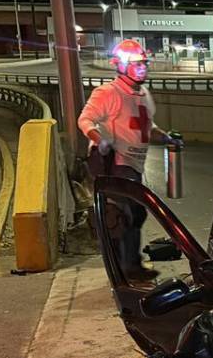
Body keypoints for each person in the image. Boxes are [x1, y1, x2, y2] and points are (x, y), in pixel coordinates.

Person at [78, 38, 182, 281]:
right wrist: (99, 139)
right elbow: (85, 119)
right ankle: (123, 271)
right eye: (136, 64)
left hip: (134, 165)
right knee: (120, 216)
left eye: (144, 63)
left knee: (135, 213)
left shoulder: (143, 94)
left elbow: (147, 127)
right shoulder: (108, 92)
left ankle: (130, 267)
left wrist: (166, 137)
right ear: (121, 65)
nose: (142, 68)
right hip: (113, 163)